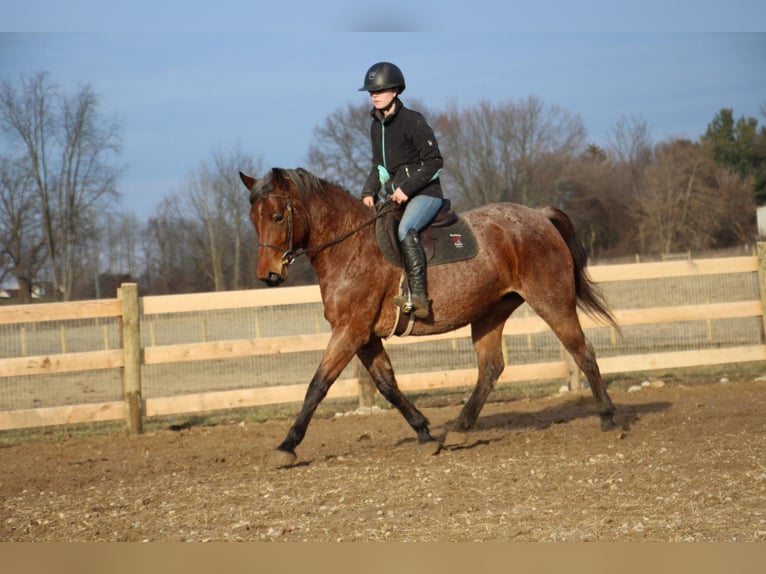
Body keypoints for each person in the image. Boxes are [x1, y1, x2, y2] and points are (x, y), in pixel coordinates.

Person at [359, 61, 446, 319]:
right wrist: (368, 192)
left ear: (395, 90)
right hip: (396, 196)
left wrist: (406, 189)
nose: (374, 95)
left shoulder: (413, 121)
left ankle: (419, 296)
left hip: (426, 194)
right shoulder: (376, 126)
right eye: (371, 91)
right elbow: (381, 168)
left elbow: (435, 162)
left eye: (380, 90)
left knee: (404, 229)